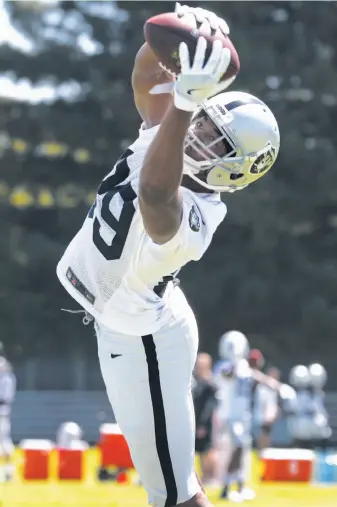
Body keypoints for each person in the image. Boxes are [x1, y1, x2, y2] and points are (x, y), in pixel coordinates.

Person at [56, 3, 280, 506]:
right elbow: (144, 76)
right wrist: (184, 39)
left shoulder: (198, 215)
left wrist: (182, 102)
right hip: (134, 325)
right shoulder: (171, 133)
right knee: (176, 489)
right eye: (203, 123)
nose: (197, 132)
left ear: (232, 172)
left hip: (145, 340)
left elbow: (157, 196)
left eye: (213, 139)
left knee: (174, 496)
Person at [192, 353, 218, 486]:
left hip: (205, 423)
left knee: (206, 451)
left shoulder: (210, 383)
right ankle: (200, 479)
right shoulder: (197, 381)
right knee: (197, 451)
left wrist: (202, 424)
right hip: (195, 421)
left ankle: (210, 477)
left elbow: (209, 406)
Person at [254, 366, 281, 452]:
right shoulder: (262, 389)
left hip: (269, 419)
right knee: (262, 440)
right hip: (263, 419)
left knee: (267, 440)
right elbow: (263, 403)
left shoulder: (273, 390)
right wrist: (267, 416)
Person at [0, 357, 16, 481]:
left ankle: (8, 471)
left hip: (2, 414)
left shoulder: (6, 379)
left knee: (4, 442)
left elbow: (4, 399)